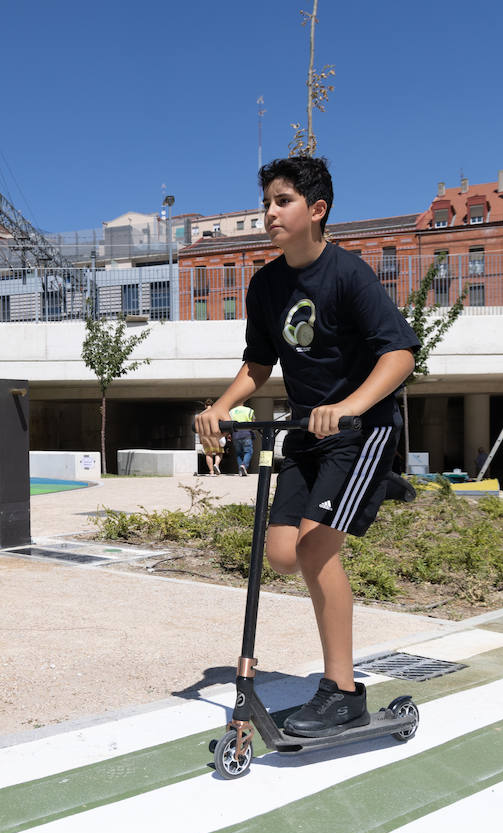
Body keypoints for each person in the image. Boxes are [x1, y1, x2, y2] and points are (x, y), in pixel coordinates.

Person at [195, 155, 419, 738]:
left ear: (317, 211)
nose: (270, 212)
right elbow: (259, 363)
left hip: (360, 432)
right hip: (304, 434)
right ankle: (380, 490)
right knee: (283, 554)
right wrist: (221, 407)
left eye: (283, 201)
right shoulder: (266, 284)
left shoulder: (348, 274)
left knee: (318, 554)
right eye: (267, 201)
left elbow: (400, 353)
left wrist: (349, 406)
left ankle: (342, 692)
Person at [229, 404, 256, 475]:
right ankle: (244, 465)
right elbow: (253, 421)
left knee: (238, 454)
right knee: (248, 452)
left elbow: (228, 423)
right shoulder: (249, 410)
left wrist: (229, 434)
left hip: (235, 434)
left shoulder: (231, 412)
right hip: (246, 433)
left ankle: (240, 471)